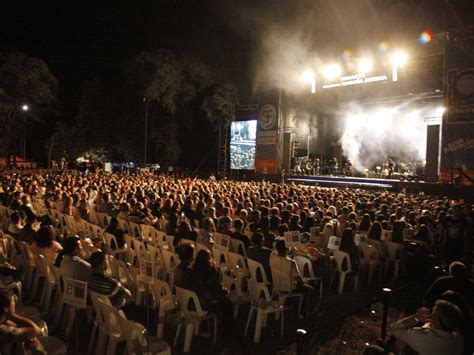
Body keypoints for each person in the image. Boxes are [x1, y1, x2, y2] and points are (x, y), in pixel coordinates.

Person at [392, 300, 464, 355]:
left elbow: (396, 328)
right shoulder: (458, 337)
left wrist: (417, 317)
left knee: (400, 342)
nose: (430, 314)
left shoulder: (422, 337)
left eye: (433, 312)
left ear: (437, 320)